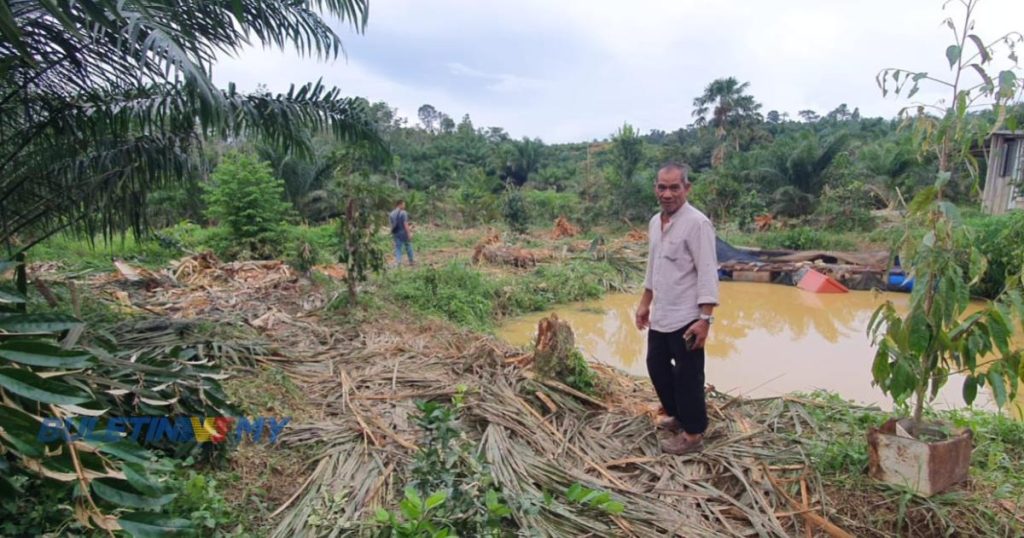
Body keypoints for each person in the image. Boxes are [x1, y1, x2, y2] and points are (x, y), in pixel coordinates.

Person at [635, 162, 719, 455]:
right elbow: (653, 267)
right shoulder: (655, 223)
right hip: (661, 315)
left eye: (674, 187)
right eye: (662, 187)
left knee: (688, 376)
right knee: (656, 366)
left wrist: (705, 319)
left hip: (687, 318)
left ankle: (693, 434)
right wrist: (645, 303)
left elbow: (708, 272)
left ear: (687, 188)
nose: (667, 193)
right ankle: (676, 415)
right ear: (655, 188)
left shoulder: (697, 224)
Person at [388, 200, 414, 267]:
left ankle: (398, 262)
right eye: (403, 205)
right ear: (399, 205)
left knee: (398, 248)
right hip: (404, 233)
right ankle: (411, 261)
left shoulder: (391, 214)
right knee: (408, 246)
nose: (404, 206)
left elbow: (391, 226)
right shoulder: (403, 213)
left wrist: (391, 234)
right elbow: (405, 224)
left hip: (396, 233)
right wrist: (409, 233)